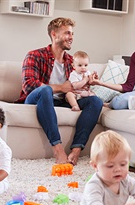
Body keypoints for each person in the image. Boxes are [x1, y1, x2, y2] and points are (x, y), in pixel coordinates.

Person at [18, 17, 103, 165]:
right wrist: (60, 87)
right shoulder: (35, 55)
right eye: (67, 33)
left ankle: (76, 149)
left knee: (95, 101)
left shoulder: (72, 62)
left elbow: (77, 88)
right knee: (45, 90)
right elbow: (29, 85)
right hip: (35, 100)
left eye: (72, 34)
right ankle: (58, 149)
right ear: (54, 35)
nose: (71, 38)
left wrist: (88, 81)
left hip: (62, 101)